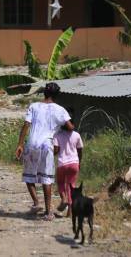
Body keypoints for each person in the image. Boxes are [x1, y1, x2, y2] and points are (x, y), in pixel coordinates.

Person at [15, 82, 74, 221]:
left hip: (31, 144)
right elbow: (70, 127)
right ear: (56, 95)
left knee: (29, 176)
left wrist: (20, 144)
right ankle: (48, 213)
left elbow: (26, 125)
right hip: (47, 145)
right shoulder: (60, 110)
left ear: (44, 93)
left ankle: (36, 203)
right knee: (46, 179)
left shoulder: (34, 106)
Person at [53, 119, 83, 217]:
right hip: (74, 163)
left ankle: (64, 198)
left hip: (62, 163)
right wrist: (79, 162)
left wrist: (53, 153)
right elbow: (80, 150)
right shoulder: (77, 135)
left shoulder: (57, 135)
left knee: (61, 182)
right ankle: (70, 211)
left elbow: (56, 150)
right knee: (71, 186)